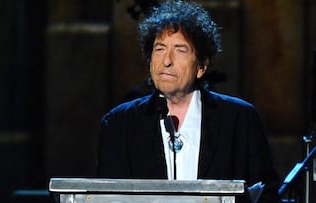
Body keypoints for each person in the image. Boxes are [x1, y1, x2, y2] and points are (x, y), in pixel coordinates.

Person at [97, 0, 281, 202]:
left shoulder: (240, 119)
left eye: (180, 50)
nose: (166, 60)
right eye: (159, 49)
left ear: (201, 66)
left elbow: (267, 195)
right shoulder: (119, 124)